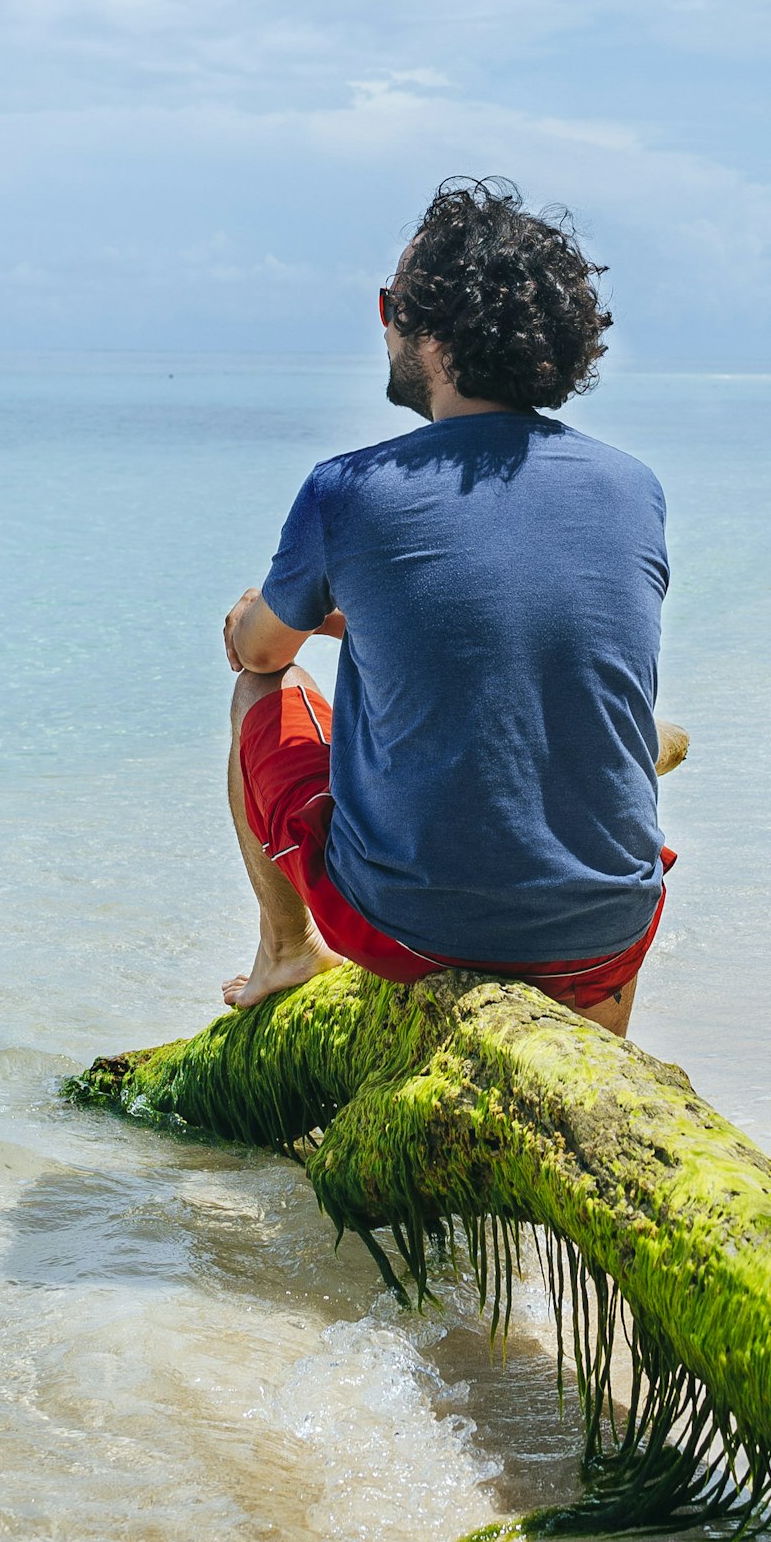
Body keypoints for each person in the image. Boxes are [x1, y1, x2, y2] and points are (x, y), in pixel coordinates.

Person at [216, 178, 675, 1038]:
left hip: (410, 933)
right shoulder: (634, 488)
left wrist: (255, 616)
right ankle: (594, 1024)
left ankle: (285, 950)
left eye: (390, 305)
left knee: (256, 696)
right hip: (613, 928)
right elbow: (521, 611)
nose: (382, 324)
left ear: (429, 332)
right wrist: (367, 615)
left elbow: (260, 652)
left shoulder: (348, 492)